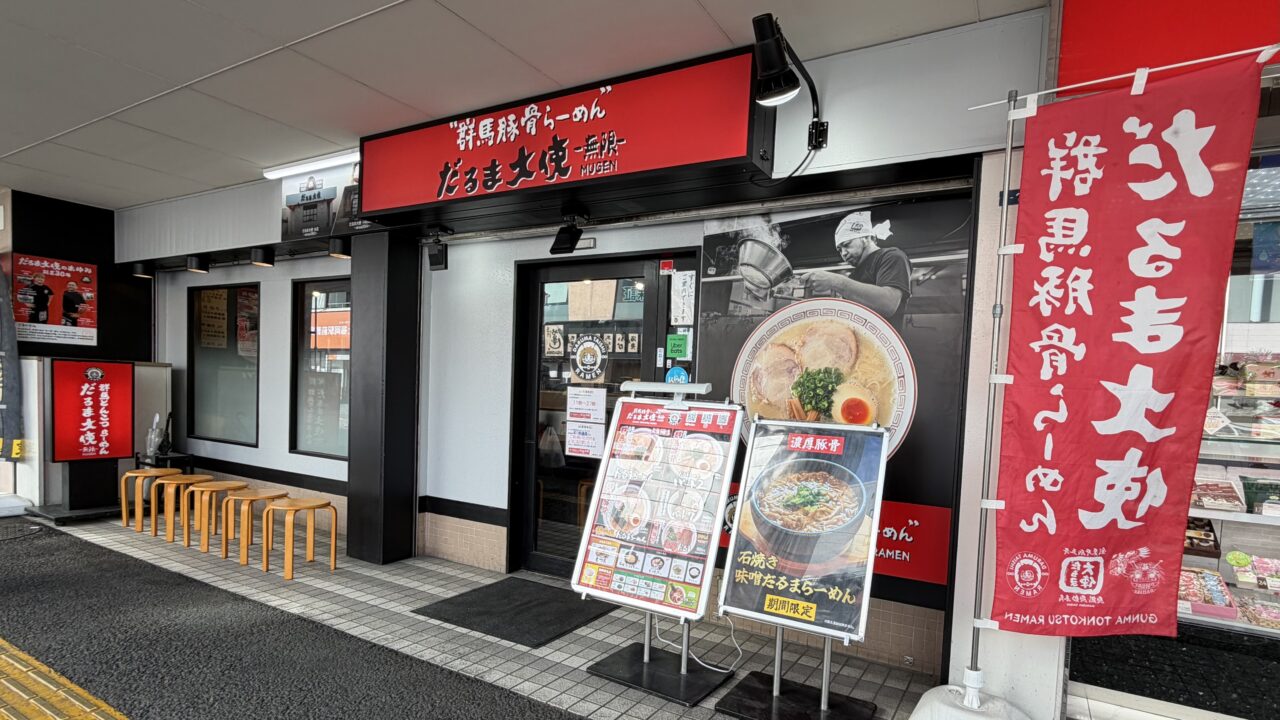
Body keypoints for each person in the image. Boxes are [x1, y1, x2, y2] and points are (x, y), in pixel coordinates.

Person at [805, 212, 913, 329]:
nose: (843, 253)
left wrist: (835, 281)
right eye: (839, 250)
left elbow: (888, 304)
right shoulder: (854, 275)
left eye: (846, 244)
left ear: (866, 237)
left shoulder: (891, 256)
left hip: (884, 339)